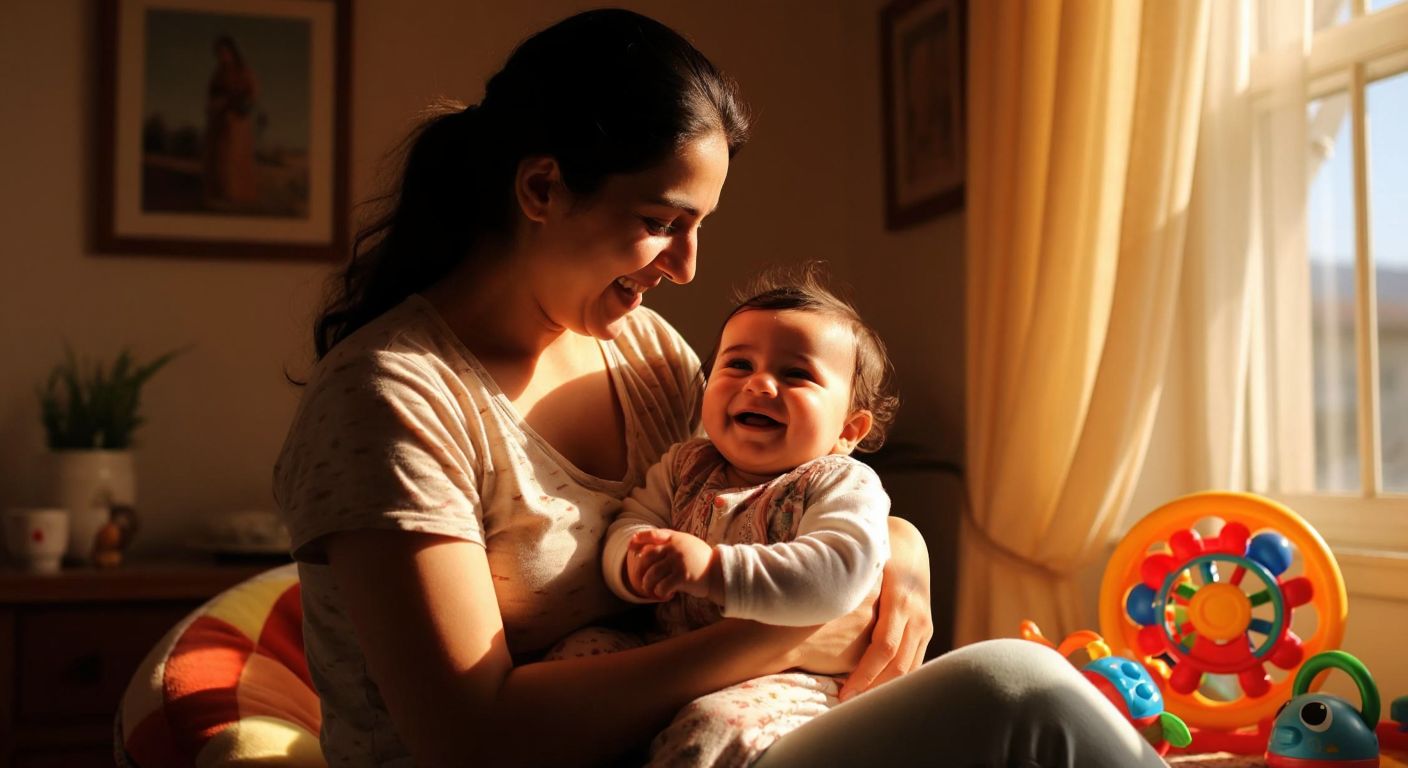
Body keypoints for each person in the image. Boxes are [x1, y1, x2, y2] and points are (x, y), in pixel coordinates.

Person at [273, 9, 1170, 767]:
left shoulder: (644, 354)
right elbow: (470, 738)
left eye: (697, 228)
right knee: (1018, 691)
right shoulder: (394, 398)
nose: (689, 268)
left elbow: (766, 485)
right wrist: (781, 627)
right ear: (543, 187)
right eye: (662, 223)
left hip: (706, 739)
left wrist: (896, 544)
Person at [583, 267, 900, 767]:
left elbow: (838, 575)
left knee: (710, 730)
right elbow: (631, 520)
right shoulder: (686, 463)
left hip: (791, 677)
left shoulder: (840, 482)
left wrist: (713, 571)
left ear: (848, 429)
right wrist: (634, 561)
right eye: (737, 365)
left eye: (796, 374)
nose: (760, 385)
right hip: (669, 647)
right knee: (581, 652)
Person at [203, 35, 258, 208]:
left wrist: (235, 103)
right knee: (218, 155)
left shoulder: (243, 71)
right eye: (218, 52)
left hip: (236, 121)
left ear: (232, 52)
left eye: (224, 52)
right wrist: (214, 105)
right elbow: (212, 93)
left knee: (233, 156)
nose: (221, 55)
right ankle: (218, 192)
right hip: (219, 120)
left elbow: (252, 93)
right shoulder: (218, 72)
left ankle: (236, 194)